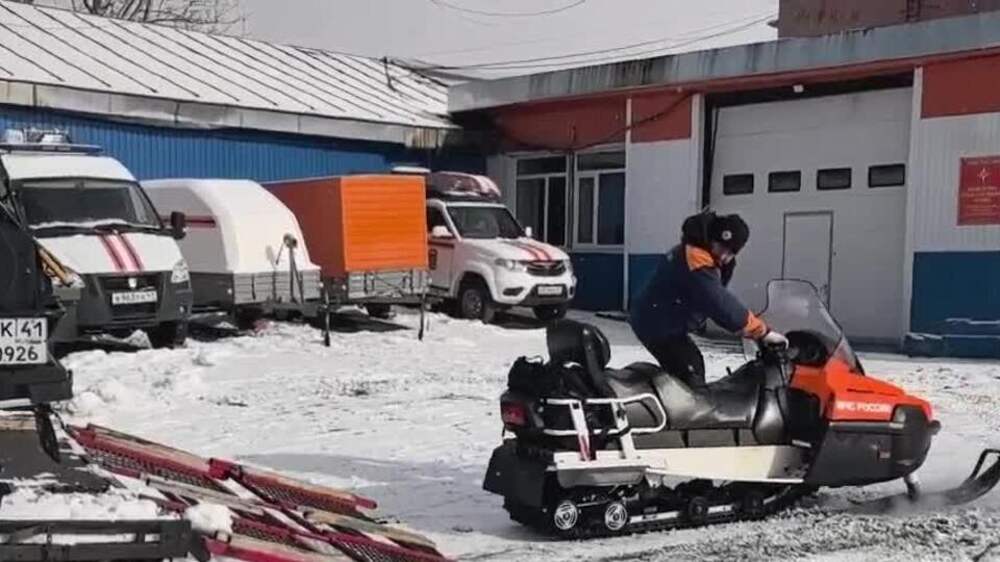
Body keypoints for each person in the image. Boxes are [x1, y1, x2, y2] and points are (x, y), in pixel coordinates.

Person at [628, 211, 787, 389]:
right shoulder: (696, 257)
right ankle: (680, 406)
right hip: (656, 323)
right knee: (689, 374)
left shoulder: (706, 255)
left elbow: (717, 298)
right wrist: (762, 332)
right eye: (722, 248)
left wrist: (748, 329)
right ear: (712, 240)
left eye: (731, 253)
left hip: (665, 320)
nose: (724, 257)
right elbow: (718, 302)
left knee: (692, 365)